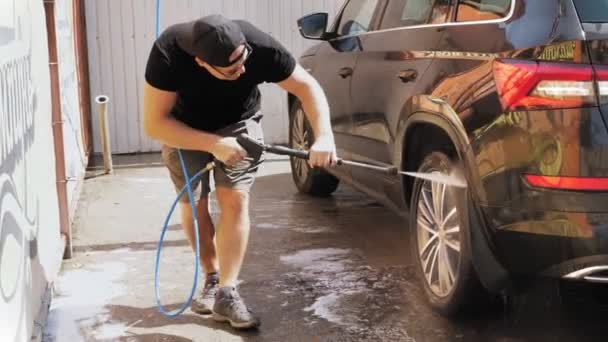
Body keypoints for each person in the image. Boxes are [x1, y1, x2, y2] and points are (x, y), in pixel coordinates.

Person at [143, 14, 337, 330]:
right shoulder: (168, 53)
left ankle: (227, 291)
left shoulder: (258, 46)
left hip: (239, 121)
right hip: (182, 127)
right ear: (202, 64)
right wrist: (214, 143)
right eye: (232, 70)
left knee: (235, 197)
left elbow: (307, 87)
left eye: (244, 61)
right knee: (195, 204)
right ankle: (211, 276)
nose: (243, 70)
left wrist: (325, 136)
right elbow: (154, 123)